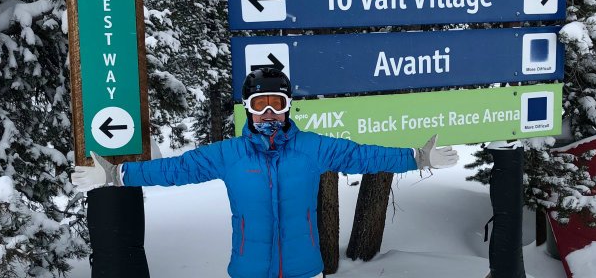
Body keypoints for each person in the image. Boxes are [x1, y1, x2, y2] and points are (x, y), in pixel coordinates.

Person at [73, 67, 459, 278]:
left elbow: (363, 156)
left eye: (278, 104)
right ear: (249, 108)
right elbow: (178, 169)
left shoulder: (312, 148)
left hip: (304, 270)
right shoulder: (229, 154)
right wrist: (115, 177)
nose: (270, 113)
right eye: (261, 104)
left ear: (288, 107)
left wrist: (417, 158)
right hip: (248, 270)